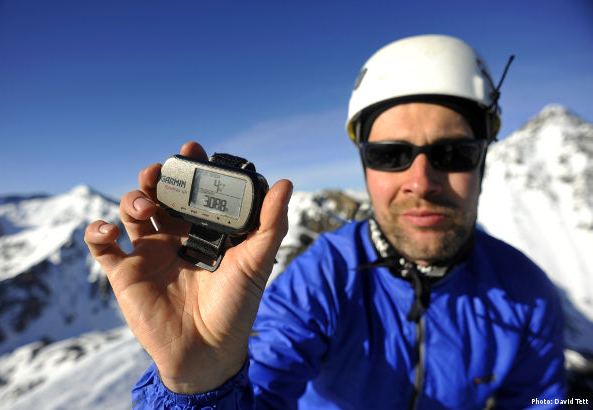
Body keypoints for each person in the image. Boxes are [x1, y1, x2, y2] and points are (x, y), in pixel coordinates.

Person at [85, 34, 566, 409]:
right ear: (365, 166)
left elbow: (544, 402)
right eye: (391, 154)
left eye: (454, 153)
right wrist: (197, 382)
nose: (422, 181)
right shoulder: (321, 282)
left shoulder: (527, 291)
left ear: (483, 159)